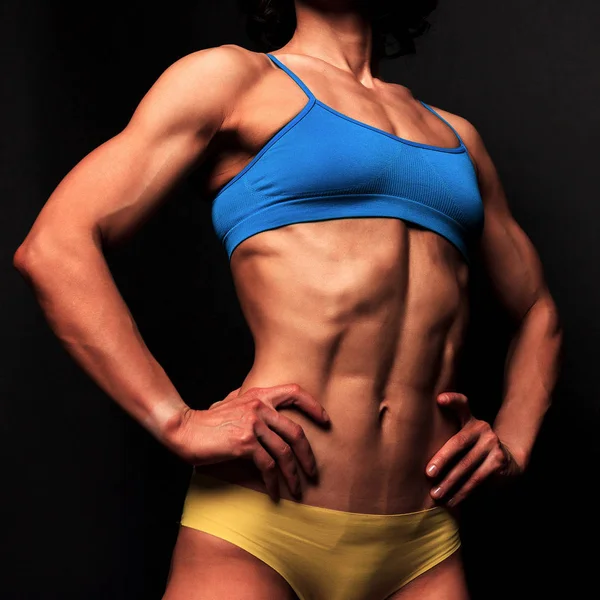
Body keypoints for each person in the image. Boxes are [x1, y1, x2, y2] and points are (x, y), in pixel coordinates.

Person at [13, 0, 563, 598]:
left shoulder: (459, 138)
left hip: (422, 542)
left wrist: (513, 441)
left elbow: (538, 311)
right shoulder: (233, 80)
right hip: (260, 530)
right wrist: (175, 421)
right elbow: (55, 246)